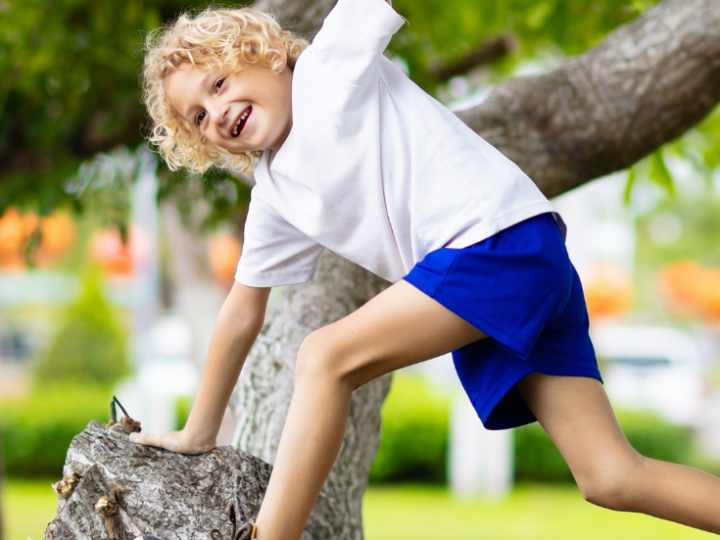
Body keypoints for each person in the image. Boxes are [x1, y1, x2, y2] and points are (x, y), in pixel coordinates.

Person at [132, 1, 720, 539]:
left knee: (324, 356)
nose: (216, 112)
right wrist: (198, 432)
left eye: (219, 82)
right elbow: (241, 310)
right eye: (198, 117)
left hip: (499, 245)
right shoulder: (275, 193)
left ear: (269, 57)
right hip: (498, 273)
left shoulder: (329, 67)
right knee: (609, 477)